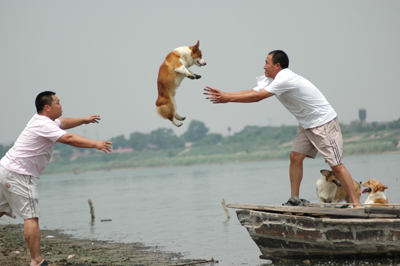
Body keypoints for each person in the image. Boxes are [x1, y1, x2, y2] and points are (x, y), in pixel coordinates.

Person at [204, 50, 362, 208]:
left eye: (267, 62)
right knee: (295, 157)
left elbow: (258, 97)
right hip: (306, 123)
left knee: (336, 166)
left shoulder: (284, 78)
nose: (264, 66)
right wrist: (225, 94)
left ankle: (357, 205)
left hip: (323, 122)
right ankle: (294, 199)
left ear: (277, 65)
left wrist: (228, 99)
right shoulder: (272, 79)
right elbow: (253, 91)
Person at [0, 91, 113, 266]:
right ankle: (37, 261)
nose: (61, 105)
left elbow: (63, 123)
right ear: (47, 107)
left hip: (5, 168)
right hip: (19, 174)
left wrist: (84, 120)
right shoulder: (44, 124)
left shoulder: (42, 121)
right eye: (58, 103)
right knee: (31, 217)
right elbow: (67, 138)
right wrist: (95, 143)